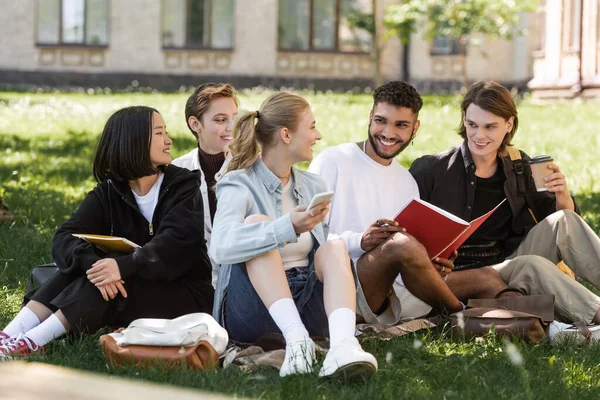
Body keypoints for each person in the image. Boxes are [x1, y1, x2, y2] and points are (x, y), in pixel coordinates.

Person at [0, 106, 214, 357]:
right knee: (87, 270)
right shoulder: (110, 190)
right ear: (133, 141)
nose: (169, 140)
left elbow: (175, 245)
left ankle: (30, 344)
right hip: (134, 284)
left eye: (165, 132)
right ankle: (9, 334)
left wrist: (120, 267)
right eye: (159, 133)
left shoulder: (183, 186)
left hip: (185, 294)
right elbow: (65, 236)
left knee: (102, 281)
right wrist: (94, 264)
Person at [308, 81, 512, 325]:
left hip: (394, 291)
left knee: (487, 279)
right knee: (400, 244)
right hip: (341, 288)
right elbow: (308, 241)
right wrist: (360, 241)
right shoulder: (333, 162)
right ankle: (459, 316)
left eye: (401, 125)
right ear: (370, 117)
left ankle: (542, 324)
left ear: (415, 128)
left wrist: (431, 265)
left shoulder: (407, 182)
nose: (388, 133)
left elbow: (408, 255)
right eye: (381, 121)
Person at [210, 92, 377, 379]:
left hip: (305, 300)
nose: (319, 135)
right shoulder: (238, 183)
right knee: (257, 223)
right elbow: (220, 248)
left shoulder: (313, 185)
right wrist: (288, 227)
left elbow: (324, 259)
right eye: (311, 127)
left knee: (334, 246)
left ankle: (343, 346)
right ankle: (297, 342)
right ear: (286, 134)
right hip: (251, 311)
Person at [409, 81, 600, 329]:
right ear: (464, 120)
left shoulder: (519, 167)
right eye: (472, 125)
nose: (479, 135)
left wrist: (562, 196)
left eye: (490, 127)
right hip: (457, 277)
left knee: (565, 220)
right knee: (532, 265)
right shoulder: (431, 170)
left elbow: (560, 226)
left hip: (505, 264)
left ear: (508, 124)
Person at [173, 83, 239, 287]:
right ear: (195, 124)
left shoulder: (250, 168)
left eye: (235, 119)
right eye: (220, 120)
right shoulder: (177, 172)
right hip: (192, 282)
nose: (231, 127)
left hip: (241, 282)